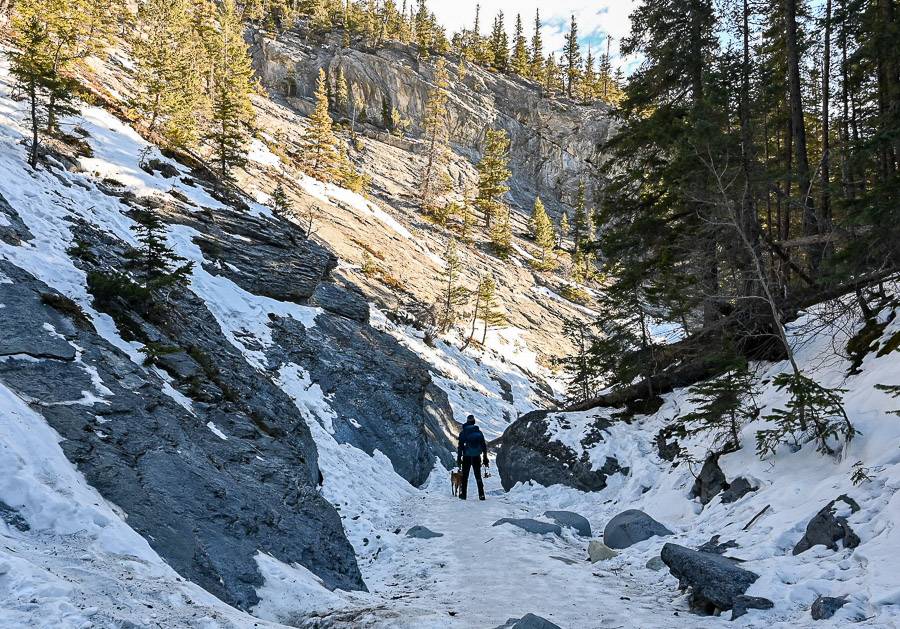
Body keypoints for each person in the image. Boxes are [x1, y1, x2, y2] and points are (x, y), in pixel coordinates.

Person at [457, 415, 488, 500]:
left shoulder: (463, 433)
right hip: (476, 456)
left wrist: (459, 459)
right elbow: (483, 445)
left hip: (466, 457)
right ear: (474, 422)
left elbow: (460, 447)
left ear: (467, 422)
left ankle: (463, 495)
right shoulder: (479, 432)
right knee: (478, 476)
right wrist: (485, 457)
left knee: (465, 476)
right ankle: (481, 495)